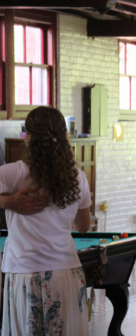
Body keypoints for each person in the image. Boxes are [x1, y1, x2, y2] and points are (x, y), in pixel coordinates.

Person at [0, 106, 91, 336]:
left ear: (28, 138)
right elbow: (83, 227)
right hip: (66, 273)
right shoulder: (78, 178)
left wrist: (8, 202)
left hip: (25, 273)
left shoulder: (14, 174)